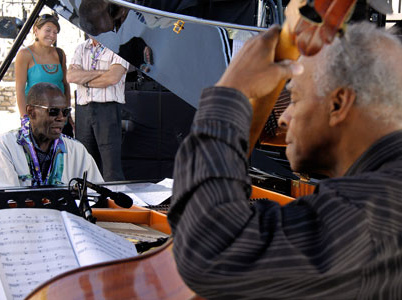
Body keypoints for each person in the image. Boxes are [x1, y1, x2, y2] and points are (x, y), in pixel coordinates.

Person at [168, 23, 402, 299]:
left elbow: (213, 249)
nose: (283, 117)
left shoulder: (374, 212)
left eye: (294, 98)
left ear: (338, 104)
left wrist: (231, 92)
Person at [0, 83, 103, 188]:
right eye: (53, 111)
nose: (61, 118)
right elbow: (4, 200)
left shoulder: (77, 151)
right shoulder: (4, 147)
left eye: (65, 112)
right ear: (31, 112)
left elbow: (96, 196)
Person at [67, 38, 129, 181]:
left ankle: (113, 201)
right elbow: (71, 76)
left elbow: (113, 77)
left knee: (110, 165)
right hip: (83, 109)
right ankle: (88, 200)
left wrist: (85, 81)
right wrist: (103, 72)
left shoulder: (119, 46)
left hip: (107, 109)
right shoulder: (81, 47)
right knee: (85, 162)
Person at [15, 13, 73, 136]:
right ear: (36, 30)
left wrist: (67, 114)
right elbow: (19, 90)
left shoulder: (59, 53)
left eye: (55, 32)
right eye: (48, 30)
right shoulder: (25, 54)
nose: (52, 35)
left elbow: (65, 85)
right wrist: (24, 118)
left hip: (59, 116)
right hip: (37, 116)